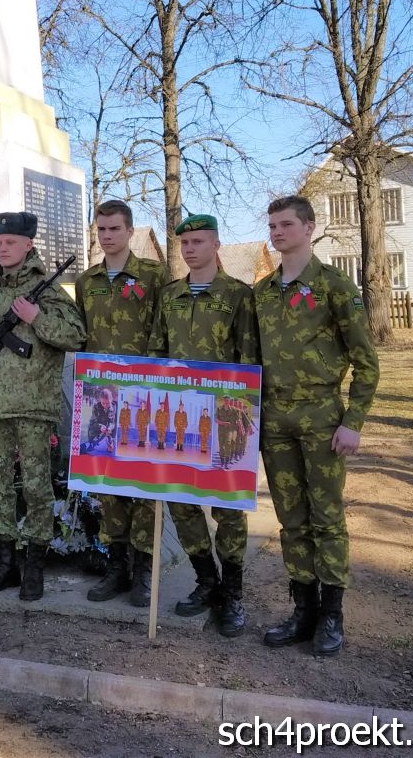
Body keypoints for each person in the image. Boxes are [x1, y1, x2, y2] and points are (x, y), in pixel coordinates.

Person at [255, 195, 379, 656]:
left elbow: (367, 363)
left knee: (326, 517)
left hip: (321, 418)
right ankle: (303, 609)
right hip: (274, 420)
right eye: (271, 225)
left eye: (285, 224)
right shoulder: (263, 293)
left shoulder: (333, 286)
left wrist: (354, 421)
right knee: (291, 519)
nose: (277, 232)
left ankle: (332, 615)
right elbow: (250, 359)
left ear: (309, 227)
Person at [0, 212, 85, 602]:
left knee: (38, 487)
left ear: (28, 245)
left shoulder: (47, 290)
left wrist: (37, 317)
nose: (4, 247)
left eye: (11, 241)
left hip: (32, 407)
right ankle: (5, 563)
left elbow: (76, 335)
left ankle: (34, 565)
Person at [147, 213, 260, 637]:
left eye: (198, 241)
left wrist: (245, 418)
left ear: (216, 245)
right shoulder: (170, 295)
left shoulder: (237, 296)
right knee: (181, 501)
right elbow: (157, 352)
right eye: (185, 242)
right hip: (178, 416)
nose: (190, 248)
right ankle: (206, 581)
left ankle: (232, 593)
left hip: (227, 416)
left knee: (228, 508)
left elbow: (249, 359)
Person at [75, 199, 164, 605]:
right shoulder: (86, 281)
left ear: (130, 231)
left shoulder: (152, 275)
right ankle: (117, 567)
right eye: (102, 230)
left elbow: (164, 331)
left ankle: (144, 570)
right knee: (109, 485)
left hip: (143, 396)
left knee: (144, 485)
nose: (107, 236)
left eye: (114, 229)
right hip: (100, 396)